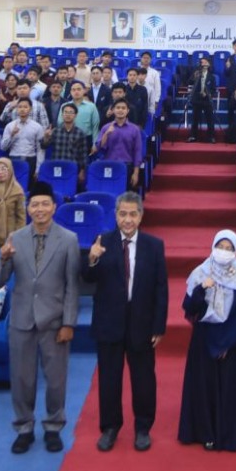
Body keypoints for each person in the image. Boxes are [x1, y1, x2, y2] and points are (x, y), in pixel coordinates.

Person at [0, 186, 80, 454]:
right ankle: (24, 427)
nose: (40, 209)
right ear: (29, 208)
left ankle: (54, 426)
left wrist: (68, 323)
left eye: (45, 204)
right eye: (35, 205)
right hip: (21, 319)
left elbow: (71, 286)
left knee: (55, 380)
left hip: (54, 321)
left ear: (54, 207)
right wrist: (3, 259)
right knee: (21, 379)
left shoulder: (68, 239)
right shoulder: (15, 238)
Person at [83, 193, 168, 452]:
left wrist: (159, 326)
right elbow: (87, 278)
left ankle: (143, 428)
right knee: (109, 379)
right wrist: (92, 258)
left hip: (141, 324)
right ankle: (110, 427)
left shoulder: (154, 245)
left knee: (143, 380)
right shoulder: (103, 242)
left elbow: (161, 288)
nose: (128, 219)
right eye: (123, 214)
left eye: (133, 214)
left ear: (141, 215)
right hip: (109, 323)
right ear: (116, 215)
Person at [178, 229, 236, 452]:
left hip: (232, 344)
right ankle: (205, 433)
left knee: (230, 389)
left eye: (229, 248)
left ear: (235, 250)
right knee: (204, 388)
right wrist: (202, 289)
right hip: (204, 341)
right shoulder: (200, 273)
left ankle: (229, 435)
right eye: (220, 247)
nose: (223, 252)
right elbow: (191, 309)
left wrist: (229, 344)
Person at [188, 56, 218, 142]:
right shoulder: (196, 73)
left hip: (207, 100)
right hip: (196, 99)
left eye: (205, 62)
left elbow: (213, 90)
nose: (203, 64)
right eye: (202, 62)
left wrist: (208, 94)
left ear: (209, 64)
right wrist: (194, 77)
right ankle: (193, 136)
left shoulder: (212, 77)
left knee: (210, 119)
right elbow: (189, 82)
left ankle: (211, 137)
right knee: (195, 119)